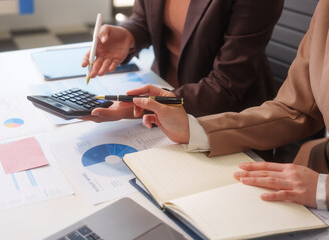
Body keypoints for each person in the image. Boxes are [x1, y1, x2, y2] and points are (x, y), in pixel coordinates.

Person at [127, 0, 329, 210]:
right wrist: (194, 130)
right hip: (308, 173)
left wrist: (324, 189)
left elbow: (227, 82)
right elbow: (295, 108)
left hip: (315, 184)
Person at [81, 0, 284, 122]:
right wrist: (129, 34)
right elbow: (145, 18)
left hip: (222, 114)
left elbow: (226, 86)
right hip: (163, 91)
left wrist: (152, 104)